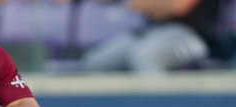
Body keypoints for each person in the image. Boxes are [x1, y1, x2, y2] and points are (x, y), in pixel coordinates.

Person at [81, 0, 228, 73]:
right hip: (151, 32)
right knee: (96, 62)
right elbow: (135, 4)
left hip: (195, 37)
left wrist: (157, 6)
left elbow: (178, 7)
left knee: (145, 56)